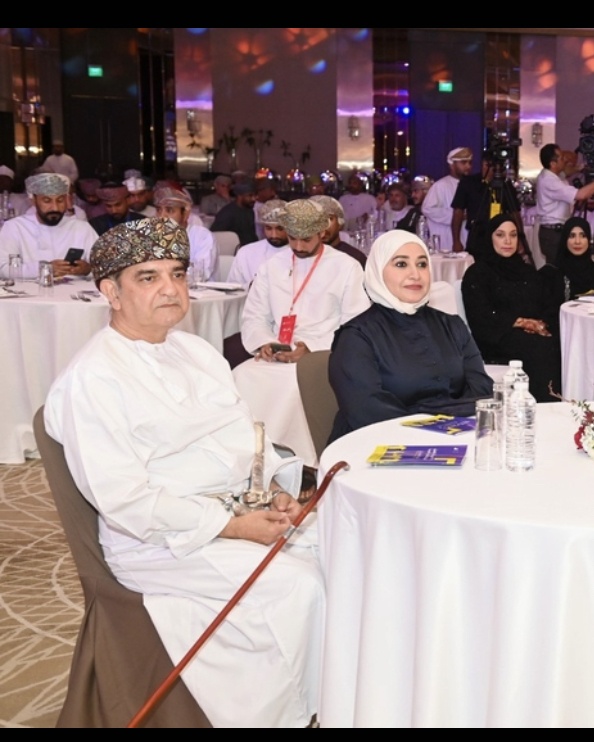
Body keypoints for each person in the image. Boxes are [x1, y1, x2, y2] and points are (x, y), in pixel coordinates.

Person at [43, 217, 322, 727]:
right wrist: (232, 526)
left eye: (177, 274)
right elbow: (125, 501)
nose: (170, 289)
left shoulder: (194, 350)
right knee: (295, 586)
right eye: (148, 277)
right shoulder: (93, 379)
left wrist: (277, 488)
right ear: (111, 292)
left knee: (347, 548)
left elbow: (246, 437)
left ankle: (337, 696)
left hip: (239, 509)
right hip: (161, 541)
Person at [328, 230, 494, 441]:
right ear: (377, 271)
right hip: (377, 444)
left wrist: (439, 422)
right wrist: (440, 423)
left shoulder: (452, 326)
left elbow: (482, 390)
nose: (415, 274)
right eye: (401, 264)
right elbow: (368, 410)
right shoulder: (357, 337)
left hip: (454, 438)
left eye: (422, 264)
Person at [240, 200, 369, 362]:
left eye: (306, 240)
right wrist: (265, 342)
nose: (299, 247)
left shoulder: (347, 267)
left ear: (322, 233)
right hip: (277, 352)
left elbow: (355, 323)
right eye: (292, 238)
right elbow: (255, 316)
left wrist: (312, 348)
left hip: (326, 354)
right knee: (242, 376)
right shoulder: (272, 266)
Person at [461, 214, 563, 401]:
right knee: (539, 347)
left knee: (558, 342)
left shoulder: (527, 271)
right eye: (500, 235)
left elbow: (547, 304)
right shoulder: (477, 273)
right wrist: (523, 323)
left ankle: (560, 403)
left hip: (532, 335)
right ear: (490, 238)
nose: (508, 241)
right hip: (496, 338)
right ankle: (541, 406)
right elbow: (481, 316)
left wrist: (541, 324)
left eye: (513, 235)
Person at [0, 172, 97, 278]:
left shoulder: (82, 228)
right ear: (33, 201)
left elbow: (104, 266)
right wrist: (44, 269)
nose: (55, 208)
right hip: (30, 289)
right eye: (47, 201)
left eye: (60, 200)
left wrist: (88, 270)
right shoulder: (15, 227)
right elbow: (3, 269)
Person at [534, 144, 594, 267]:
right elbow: (581, 195)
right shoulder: (550, 181)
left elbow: (566, 171)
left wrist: (581, 167)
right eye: (561, 157)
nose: (565, 160)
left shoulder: (551, 173)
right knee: (557, 269)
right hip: (554, 233)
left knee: (563, 267)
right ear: (553, 163)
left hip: (556, 231)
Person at [154, 186, 217, 282]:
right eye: (159, 210)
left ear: (186, 214)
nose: (162, 216)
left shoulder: (203, 237)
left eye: (170, 210)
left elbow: (199, 275)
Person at [227, 199, 288, 288]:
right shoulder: (246, 252)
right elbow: (232, 288)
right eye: (268, 228)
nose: (274, 235)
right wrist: (252, 286)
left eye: (280, 229)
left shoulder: (300, 252)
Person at [423, 148, 472, 249]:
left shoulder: (472, 185)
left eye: (470, 163)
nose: (468, 166)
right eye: (463, 163)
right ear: (452, 164)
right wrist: (456, 215)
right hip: (446, 242)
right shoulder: (440, 185)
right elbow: (427, 209)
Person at [550, 216, 594, 297]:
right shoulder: (552, 275)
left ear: (588, 239)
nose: (577, 241)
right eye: (572, 236)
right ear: (565, 239)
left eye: (583, 236)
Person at [308, 194, 367, 267]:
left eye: (329, 219)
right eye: (315, 221)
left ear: (340, 223)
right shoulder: (300, 258)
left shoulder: (355, 258)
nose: (322, 226)